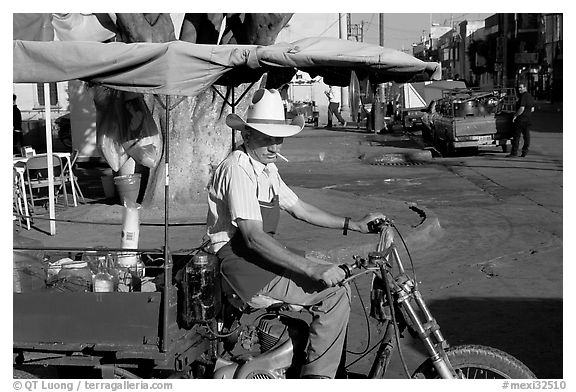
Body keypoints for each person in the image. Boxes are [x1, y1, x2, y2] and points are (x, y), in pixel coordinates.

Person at [206, 88, 385, 379]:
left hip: (258, 256)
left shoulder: (266, 167)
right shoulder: (238, 169)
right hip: (240, 263)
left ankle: (311, 363)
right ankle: (317, 378)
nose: (275, 147)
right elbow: (251, 236)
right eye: (267, 138)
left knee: (340, 277)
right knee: (334, 296)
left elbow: (300, 208)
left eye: (279, 139)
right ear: (247, 135)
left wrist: (353, 224)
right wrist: (312, 269)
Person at [507, 82, 535, 158]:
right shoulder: (530, 96)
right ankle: (525, 151)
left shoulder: (523, 96)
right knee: (526, 136)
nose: (519, 89)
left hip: (521, 119)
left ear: (525, 88)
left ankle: (514, 152)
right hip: (528, 119)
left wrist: (515, 115)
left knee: (516, 136)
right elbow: (532, 109)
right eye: (519, 88)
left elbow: (522, 108)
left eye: (521, 87)